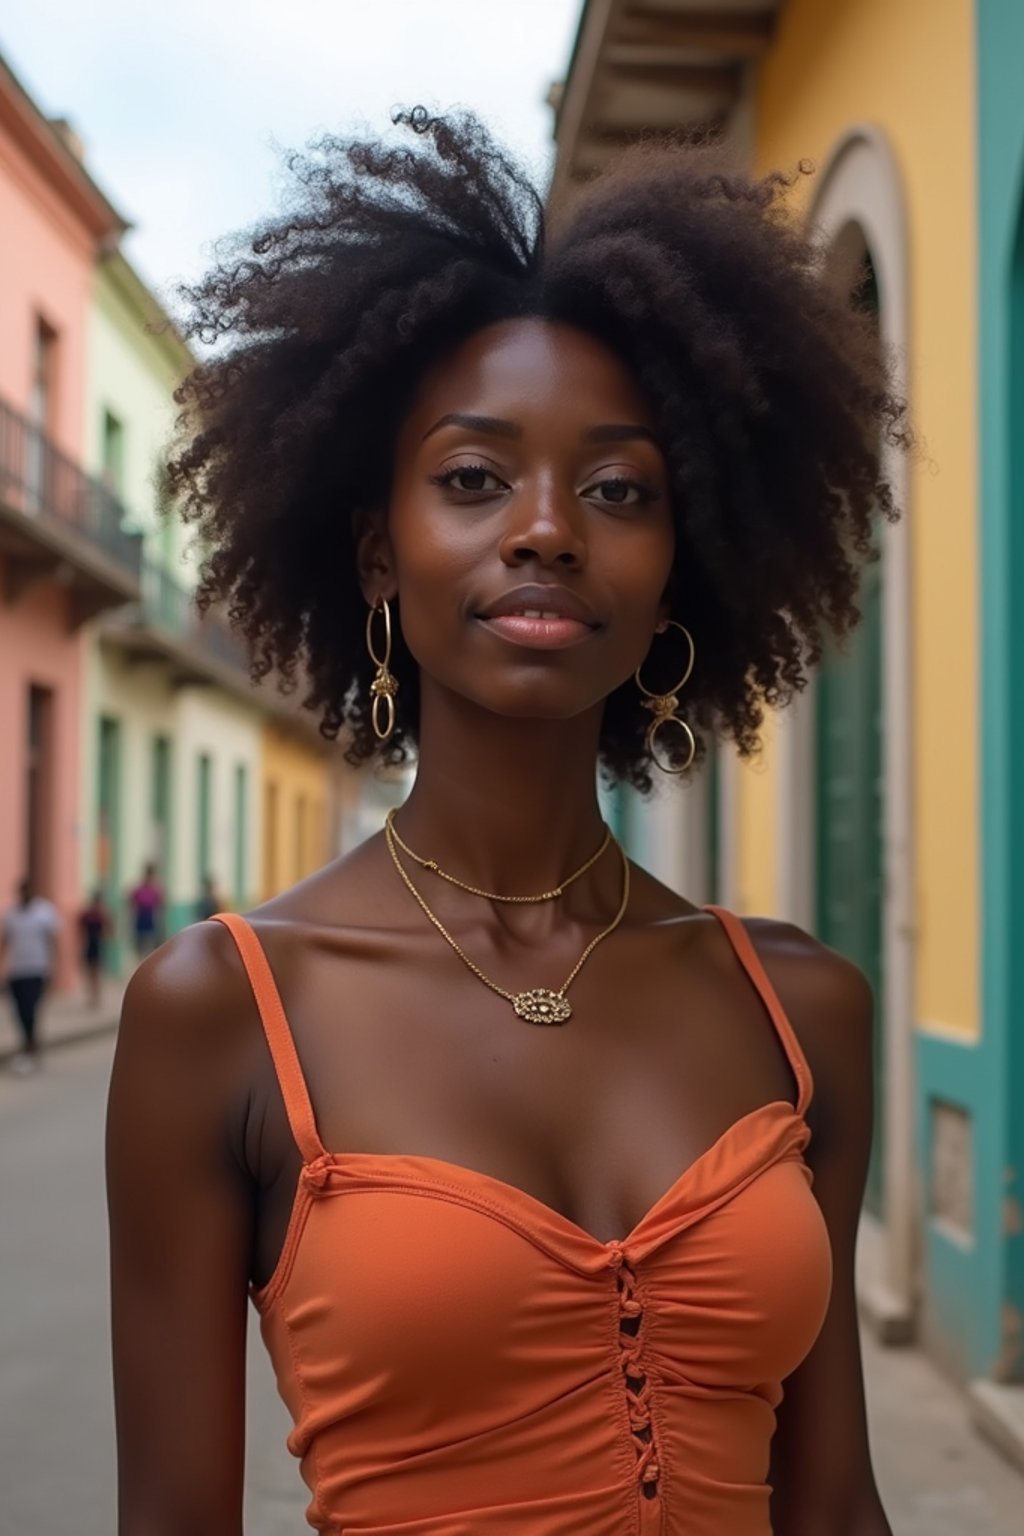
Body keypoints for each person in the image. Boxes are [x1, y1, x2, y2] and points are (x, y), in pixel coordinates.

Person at [107, 111, 904, 1535]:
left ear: (681, 565)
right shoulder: (223, 1012)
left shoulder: (801, 1008)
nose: (546, 528)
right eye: (474, 479)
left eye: (618, 489)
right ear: (376, 549)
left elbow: (834, 1503)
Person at [2, 877, 60, 1075]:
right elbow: (5, 942)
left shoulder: (44, 913)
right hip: (17, 971)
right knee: (19, 1012)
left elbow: (53, 941)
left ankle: (30, 1049)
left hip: (37, 970)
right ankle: (28, 1044)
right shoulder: (11, 915)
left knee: (30, 1010)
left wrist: (53, 968)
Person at [78, 887, 111, 1006]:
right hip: (91, 944)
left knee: (96, 971)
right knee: (92, 971)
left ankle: (96, 996)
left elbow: (109, 930)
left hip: (97, 945)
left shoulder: (100, 914)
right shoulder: (91, 914)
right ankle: (94, 996)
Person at [127, 862, 162, 960]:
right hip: (140, 919)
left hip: (151, 919)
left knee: (151, 946)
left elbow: (160, 907)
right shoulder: (138, 890)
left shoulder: (155, 890)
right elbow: (131, 904)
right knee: (140, 945)